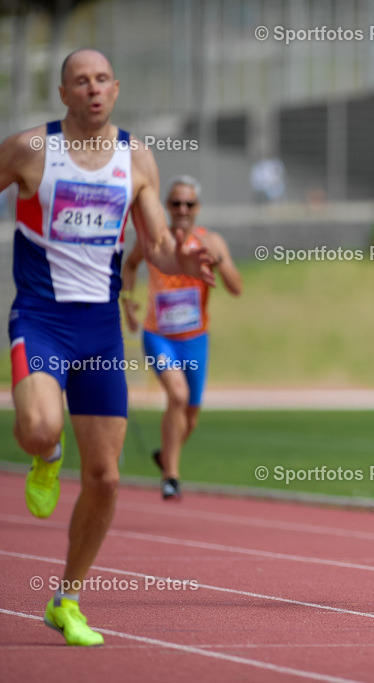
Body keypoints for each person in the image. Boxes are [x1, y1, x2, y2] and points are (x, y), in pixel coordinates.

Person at [1, 48, 213, 646]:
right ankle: (45, 457)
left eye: (101, 80)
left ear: (114, 90)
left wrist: (186, 258)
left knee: (107, 477)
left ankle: (66, 600)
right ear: (63, 93)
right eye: (80, 81)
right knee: (41, 428)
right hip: (40, 318)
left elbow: (159, 248)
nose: (93, 90)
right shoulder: (29, 150)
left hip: (98, 329)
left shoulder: (135, 158)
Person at [121, 175, 242, 500]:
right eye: (175, 203)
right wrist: (127, 302)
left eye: (189, 203)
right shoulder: (154, 240)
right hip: (158, 335)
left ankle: (166, 455)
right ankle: (171, 476)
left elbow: (236, 287)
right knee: (176, 395)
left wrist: (216, 258)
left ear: (198, 207)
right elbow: (129, 266)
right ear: (167, 206)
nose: (182, 209)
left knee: (190, 416)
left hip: (195, 338)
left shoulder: (210, 241)